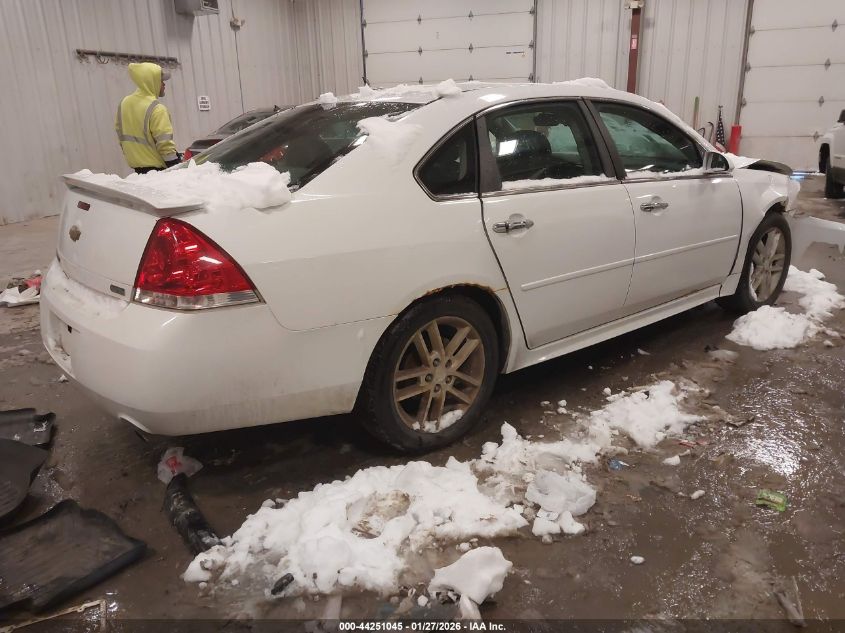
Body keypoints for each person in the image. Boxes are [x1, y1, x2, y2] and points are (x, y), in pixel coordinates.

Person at [116, 62, 180, 173]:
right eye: (161, 81)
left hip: (138, 172)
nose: (164, 84)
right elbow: (165, 144)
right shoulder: (157, 108)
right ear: (152, 81)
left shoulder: (124, 103)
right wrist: (176, 168)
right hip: (158, 173)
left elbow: (120, 133)